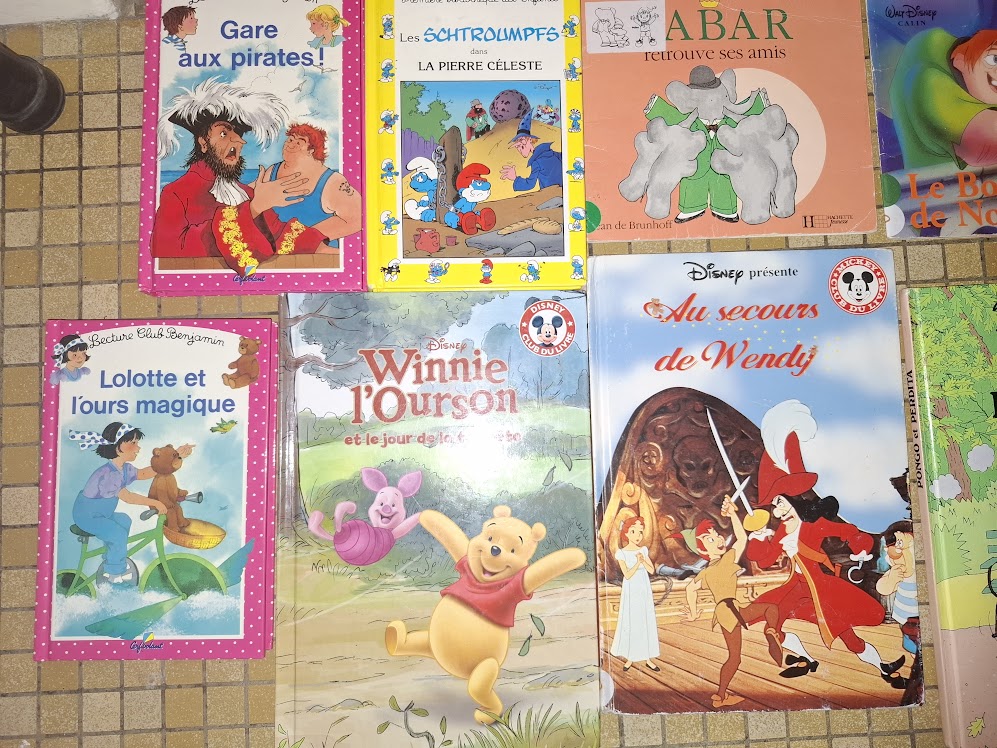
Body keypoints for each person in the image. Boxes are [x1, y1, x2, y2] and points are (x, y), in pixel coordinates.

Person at [742, 400, 907, 687]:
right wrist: (756, 540)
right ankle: (806, 659)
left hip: (821, 588)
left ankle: (883, 668)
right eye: (775, 505)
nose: (776, 511)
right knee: (766, 616)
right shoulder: (782, 531)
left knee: (846, 634)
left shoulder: (814, 525)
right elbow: (765, 559)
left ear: (792, 501)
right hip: (796, 587)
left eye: (779, 503)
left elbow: (849, 532)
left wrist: (860, 545)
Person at [152, 78, 339, 274]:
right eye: (224, 133)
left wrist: (328, 253)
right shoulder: (175, 193)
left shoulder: (246, 193)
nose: (238, 141)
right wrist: (253, 209)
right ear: (203, 143)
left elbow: (278, 235)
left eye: (239, 134)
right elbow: (169, 252)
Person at [683, 496, 783, 708]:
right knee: (769, 610)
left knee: (735, 656)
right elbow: (742, 538)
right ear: (703, 551)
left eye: (717, 535)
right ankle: (771, 631)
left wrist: (693, 611)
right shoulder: (727, 560)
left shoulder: (706, 572)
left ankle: (720, 695)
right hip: (732, 612)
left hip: (727, 612)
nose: (718, 539)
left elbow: (690, 588)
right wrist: (733, 515)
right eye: (711, 540)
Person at [67, 423, 194, 583]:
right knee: (117, 533)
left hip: (101, 514)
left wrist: (175, 456)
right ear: (118, 446)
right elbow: (128, 497)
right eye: (133, 443)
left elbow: (144, 473)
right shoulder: (109, 475)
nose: (138, 448)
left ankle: (112, 556)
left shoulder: (124, 469)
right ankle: (113, 574)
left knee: (124, 520)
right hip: (87, 516)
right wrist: (155, 503)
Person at [890, 28, 997, 169]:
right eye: (994, 59)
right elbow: (984, 144)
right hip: (936, 179)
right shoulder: (930, 82)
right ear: (960, 61)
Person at [256, 123, 361, 250]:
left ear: (311, 150)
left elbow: (359, 218)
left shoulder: (333, 182)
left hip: (315, 255)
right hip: (274, 252)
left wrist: (306, 238)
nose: (290, 145)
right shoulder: (272, 171)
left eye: (299, 143)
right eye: (290, 140)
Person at [609, 516, 660, 672]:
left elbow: (651, 570)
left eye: (640, 532)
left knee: (645, 620)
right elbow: (628, 575)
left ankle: (648, 658)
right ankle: (630, 657)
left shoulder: (643, 550)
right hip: (631, 589)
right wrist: (638, 563)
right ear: (626, 533)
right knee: (632, 621)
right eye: (633, 531)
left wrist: (643, 560)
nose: (637, 536)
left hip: (643, 589)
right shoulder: (622, 553)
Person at [500, 111, 563, 191]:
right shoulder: (552, 153)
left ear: (530, 139)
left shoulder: (537, 162)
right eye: (517, 146)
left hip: (552, 195)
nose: (520, 148)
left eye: (522, 141)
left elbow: (530, 184)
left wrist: (514, 178)